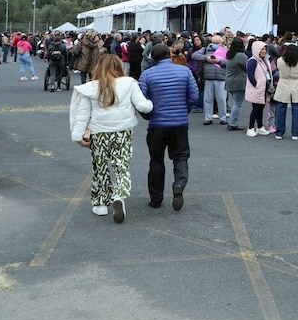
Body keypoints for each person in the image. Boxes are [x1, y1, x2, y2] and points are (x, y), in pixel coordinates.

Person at [70, 54, 153, 223]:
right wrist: (151, 103)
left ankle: (101, 204)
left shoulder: (90, 88)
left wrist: (78, 136)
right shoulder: (129, 83)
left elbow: (82, 114)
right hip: (122, 132)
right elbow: (143, 106)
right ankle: (118, 196)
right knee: (121, 166)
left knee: (100, 167)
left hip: (98, 132)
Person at [138, 43, 199, 211]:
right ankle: (179, 184)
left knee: (156, 160)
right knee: (181, 157)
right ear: (169, 55)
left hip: (157, 124)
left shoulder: (147, 75)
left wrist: (148, 116)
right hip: (179, 123)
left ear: (153, 58)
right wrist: (185, 110)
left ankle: (156, 199)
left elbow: (140, 101)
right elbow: (194, 95)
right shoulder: (185, 71)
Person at [192, 35, 228, 125]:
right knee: (208, 99)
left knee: (222, 99)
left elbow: (229, 62)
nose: (215, 44)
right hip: (208, 77)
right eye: (214, 42)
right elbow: (194, 55)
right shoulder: (205, 49)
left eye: (217, 43)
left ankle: (223, 117)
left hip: (221, 77)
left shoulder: (225, 50)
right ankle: (208, 118)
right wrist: (206, 58)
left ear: (221, 42)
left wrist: (219, 61)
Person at [272, 43, 298, 140]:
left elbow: (278, 68)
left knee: (281, 109)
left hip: (283, 83)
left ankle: (279, 133)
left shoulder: (280, 60)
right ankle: (295, 133)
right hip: (296, 84)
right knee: (295, 110)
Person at [244, 40, 273, 137]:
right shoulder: (253, 61)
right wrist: (256, 84)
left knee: (260, 108)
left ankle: (260, 126)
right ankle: (251, 127)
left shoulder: (263, 60)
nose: (264, 51)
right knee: (256, 109)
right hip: (257, 88)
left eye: (264, 49)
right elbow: (250, 75)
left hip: (263, 88)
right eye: (262, 49)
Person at [224, 37, 248, 131]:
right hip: (239, 82)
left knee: (236, 102)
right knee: (238, 103)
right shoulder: (241, 56)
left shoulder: (230, 55)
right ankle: (232, 123)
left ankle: (233, 122)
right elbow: (247, 67)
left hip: (229, 81)